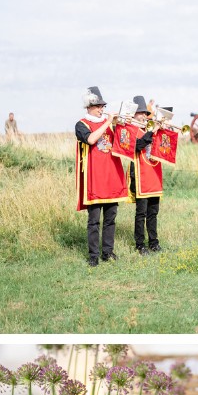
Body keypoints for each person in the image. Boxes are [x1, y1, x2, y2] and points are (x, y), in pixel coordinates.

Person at [75, 86, 127, 267]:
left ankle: (108, 252)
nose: (101, 109)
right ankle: (93, 255)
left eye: (102, 106)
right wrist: (107, 123)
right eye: (98, 106)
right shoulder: (81, 124)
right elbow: (91, 139)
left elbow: (123, 143)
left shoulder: (108, 123)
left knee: (111, 219)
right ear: (89, 107)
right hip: (95, 179)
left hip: (112, 177)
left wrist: (120, 125)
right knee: (94, 220)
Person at [128, 96, 163, 255]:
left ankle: (154, 242)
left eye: (144, 113)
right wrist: (151, 131)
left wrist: (162, 128)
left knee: (153, 212)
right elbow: (137, 146)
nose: (143, 115)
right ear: (133, 114)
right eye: (140, 113)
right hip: (140, 175)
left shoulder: (149, 127)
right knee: (141, 213)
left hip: (154, 175)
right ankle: (140, 244)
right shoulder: (130, 129)